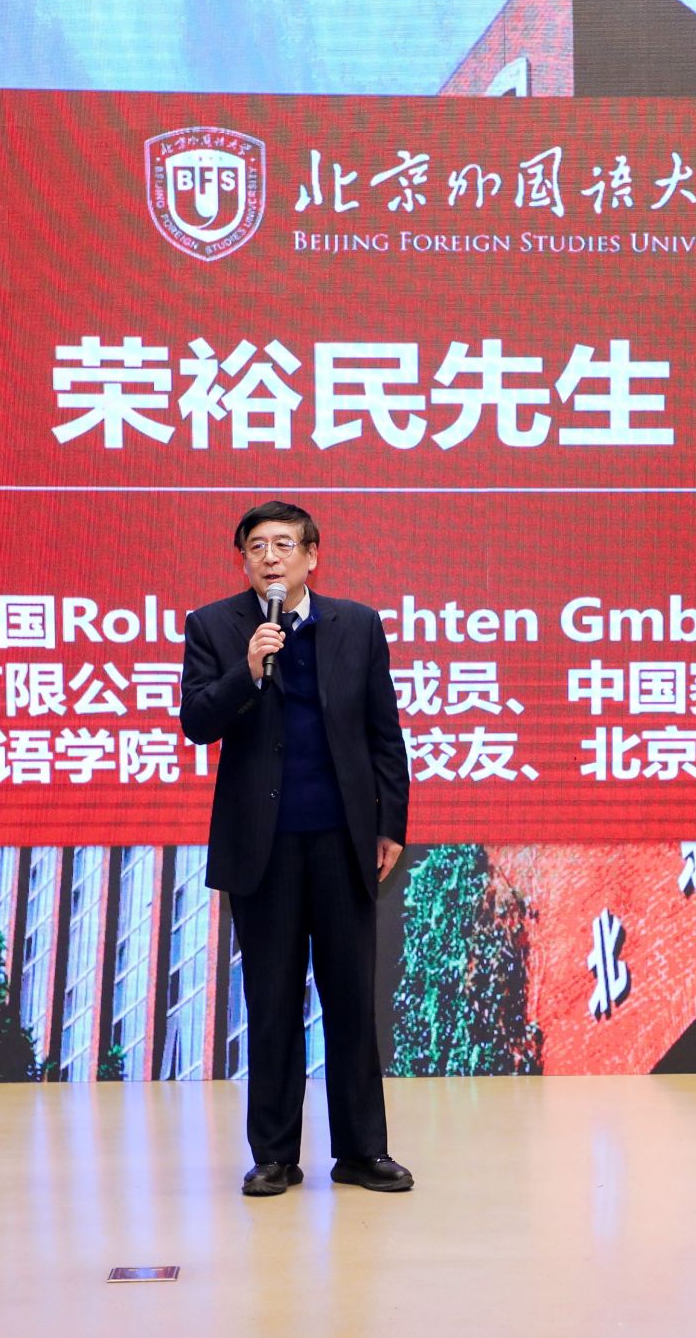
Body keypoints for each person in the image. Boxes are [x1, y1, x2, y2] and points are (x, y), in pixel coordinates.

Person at [179, 500, 414, 1196]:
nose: (271, 557)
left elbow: (384, 732)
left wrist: (391, 824)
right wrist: (248, 670)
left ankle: (362, 1151)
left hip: (343, 838)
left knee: (351, 1000)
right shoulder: (215, 626)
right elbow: (197, 721)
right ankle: (275, 1154)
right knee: (273, 1000)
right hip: (263, 846)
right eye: (257, 546)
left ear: (312, 556)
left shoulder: (357, 624)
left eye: (284, 544)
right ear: (243, 562)